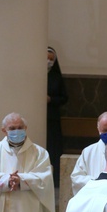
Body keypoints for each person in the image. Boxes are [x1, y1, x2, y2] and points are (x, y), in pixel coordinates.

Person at [71, 111, 107, 194]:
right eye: (105, 130)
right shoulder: (88, 152)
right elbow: (77, 178)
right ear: (98, 129)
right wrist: (98, 181)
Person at [47, 46, 68, 187]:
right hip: (37, 116)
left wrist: (51, 100)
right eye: (46, 58)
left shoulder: (57, 77)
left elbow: (64, 98)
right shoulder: (35, 75)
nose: (48, 61)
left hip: (52, 118)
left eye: (51, 59)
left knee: (53, 149)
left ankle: (54, 180)